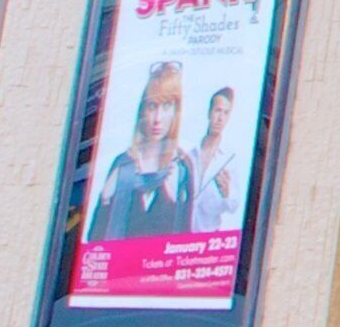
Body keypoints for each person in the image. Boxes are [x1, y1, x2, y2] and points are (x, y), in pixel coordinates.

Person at [89, 62, 192, 240]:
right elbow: (95, 240)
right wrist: (105, 199)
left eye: (166, 106)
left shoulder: (182, 167)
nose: (158, 118)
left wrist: (174, 202)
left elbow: (187, 242)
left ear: (176, 111)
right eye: (152, 106)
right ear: (143, 110)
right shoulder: (124, 163)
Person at [188, 85, 245, 235]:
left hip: (210, 238)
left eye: (226, 113)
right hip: (181, 238)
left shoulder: (229, 159)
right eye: (218, 111)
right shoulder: (190, 154)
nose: (220, 118)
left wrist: (226, 192)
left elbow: (234, 205)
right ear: (209, 112)